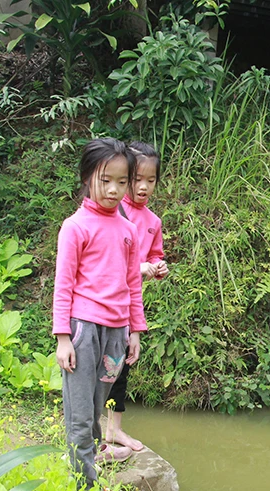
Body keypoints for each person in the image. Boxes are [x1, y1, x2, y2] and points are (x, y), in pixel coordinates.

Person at [53, 137, 147, 488]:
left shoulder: (128, 230)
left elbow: (132, 284)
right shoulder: (75, 227)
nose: (113, 190)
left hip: (116, 333)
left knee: (96, 407)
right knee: (80, 413)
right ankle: (84, 490)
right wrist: (63, 338)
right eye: (105, 180)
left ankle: (86, 471)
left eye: (122, 182)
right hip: (82, 330)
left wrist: (134, 331)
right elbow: (63, 286)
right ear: (87, 177)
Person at [103, 140, 169, 453]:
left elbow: (154, 256)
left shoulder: (153, 222)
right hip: (102, 303)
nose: (143, 187)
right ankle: (90, 430)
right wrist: (142, 267)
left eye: (151, 180)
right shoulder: (113, 211)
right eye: (137, 179)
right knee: (95, 369)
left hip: (129, 306)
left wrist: (157, 267)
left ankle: (113, 430)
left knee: (121, 368)